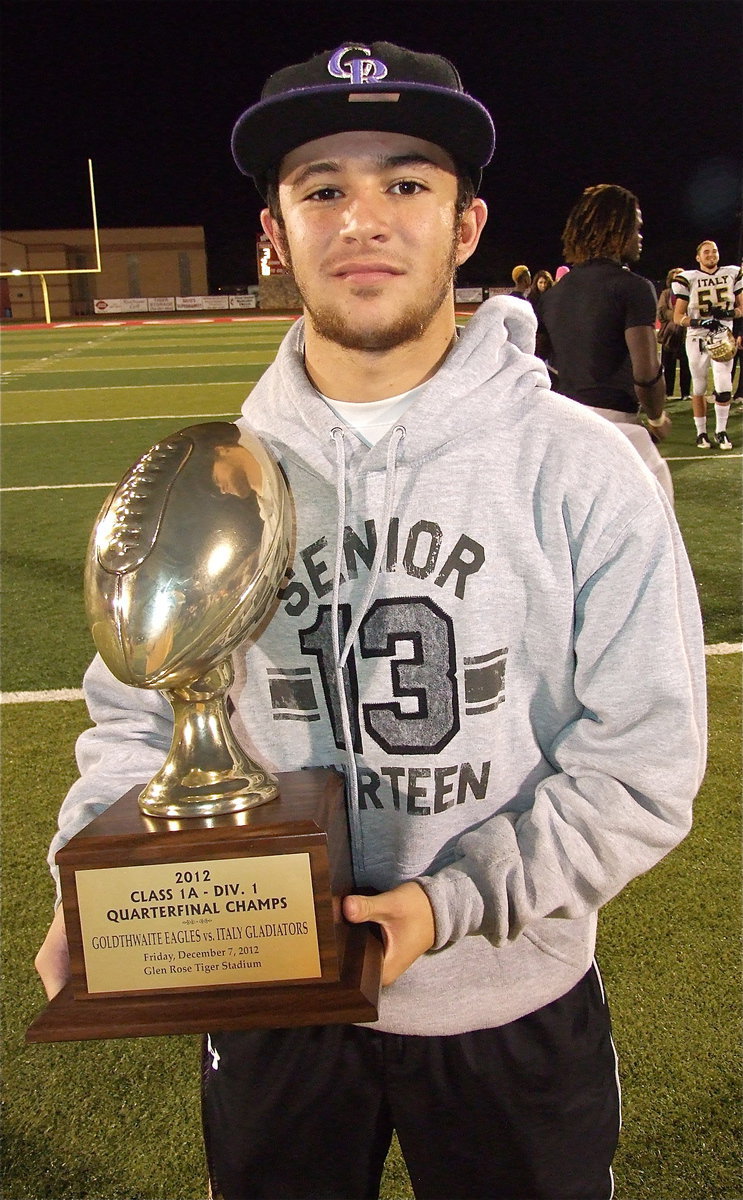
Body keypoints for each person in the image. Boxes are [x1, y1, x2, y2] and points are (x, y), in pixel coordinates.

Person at [36, 41, 706, 1200]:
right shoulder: (215, 473)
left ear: (464, 226)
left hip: (507, 991)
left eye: (405, 184)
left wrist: (449, 906)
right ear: (274, 233)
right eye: (322, 190)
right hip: (266, 992)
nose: (364, 220)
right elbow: (137, 719)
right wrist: (94, 881)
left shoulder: (589, 470)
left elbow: (639, 765)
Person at [539, 183, 675, 503]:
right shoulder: (633, 287)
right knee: (658, 529)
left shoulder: (553, 295)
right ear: (615, 227)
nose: (639, 236)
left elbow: (535, 364)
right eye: (635, 227)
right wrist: (656, 417)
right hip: (616, 426)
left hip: (563, 429)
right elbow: (645, 373)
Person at [671, 240, 743, 448]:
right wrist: (698, 322)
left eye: (714, 251)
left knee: (724, 385)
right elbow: (677, 316)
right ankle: (701, 432)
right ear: (698, 257)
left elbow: (741, 308)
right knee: (700, 385)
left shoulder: (732, 273)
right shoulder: (688, 278)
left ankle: (721, 430)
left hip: (722, 335)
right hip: (697, 337)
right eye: (706, 252)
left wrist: (729, 313)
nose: (711, 254)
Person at [656, 268, 691, 400]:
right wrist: (679, 315)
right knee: (668, 366)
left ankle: (686, 393)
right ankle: (668, 393)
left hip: (685, 334)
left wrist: (679, 316)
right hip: (669, 335)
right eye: (675, 278)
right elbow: (661, 312)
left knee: (686, 365)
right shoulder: (666, 294)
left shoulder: (690, 293)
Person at [527, 269, 554, 361]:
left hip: (550, 333)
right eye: (541, 282)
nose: (543, 285)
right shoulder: (531, 298)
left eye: (545, 282)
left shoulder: (552, 297)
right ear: (536, 283)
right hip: (538, 333)